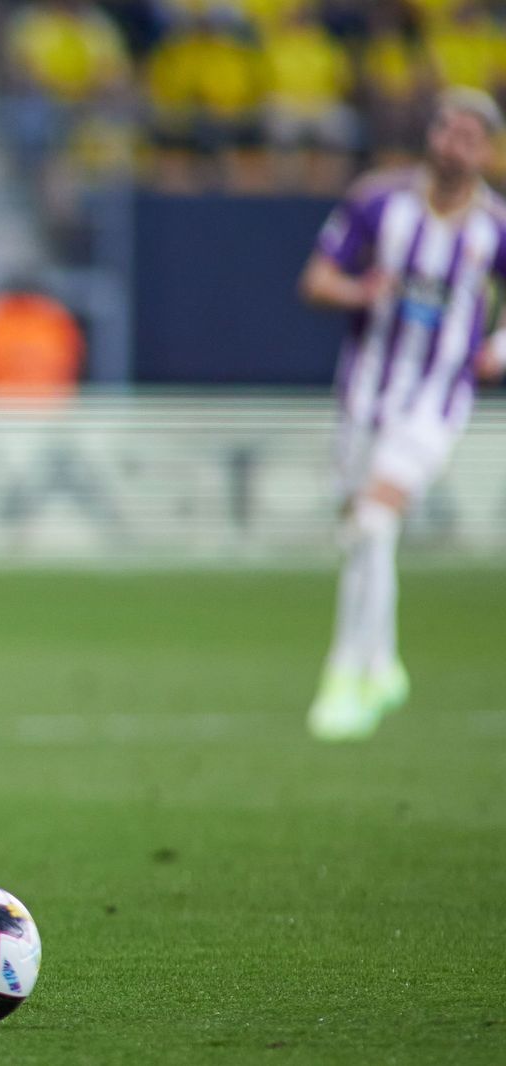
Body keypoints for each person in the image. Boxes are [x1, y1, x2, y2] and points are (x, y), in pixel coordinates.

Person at [299, 88, 506, 742]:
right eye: (446, 128)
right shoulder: (379, 201)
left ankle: (348, 672)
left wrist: (497, 350)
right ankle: (381, 665)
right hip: (364, 395)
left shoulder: (493, 228)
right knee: (357, 531)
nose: (453, 143)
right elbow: (315, 280)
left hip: (433, 401)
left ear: (487, 150)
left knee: (374, 519)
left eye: (469, 135)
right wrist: (359, 289)